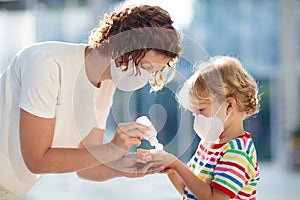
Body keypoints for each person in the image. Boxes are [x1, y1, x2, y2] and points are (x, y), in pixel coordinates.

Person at [0, 4, 181, 196]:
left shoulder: (106, 85)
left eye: (152, 72)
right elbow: (37, 160)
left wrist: (124, 167)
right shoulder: (47, 64)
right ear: (121, 45)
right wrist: (113, 148)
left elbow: (87, 167)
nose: (145, 78)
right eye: (145, 67)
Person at [151, 56, 260, 199]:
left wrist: (176, 164)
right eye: (194, 112)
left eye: (201, 110)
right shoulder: (208, 143)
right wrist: (169, 167)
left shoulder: (238, 152)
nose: (197, 118)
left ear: (229, 106)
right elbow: (187, 188)